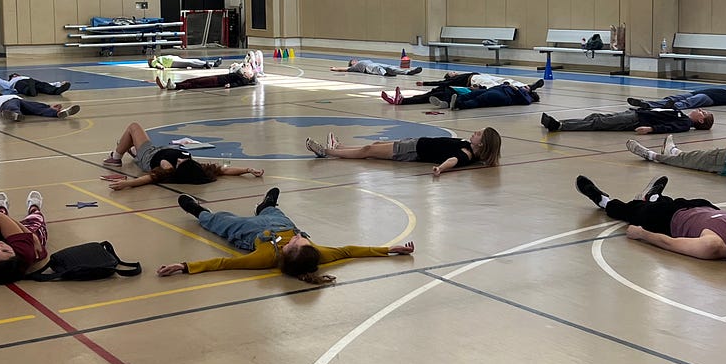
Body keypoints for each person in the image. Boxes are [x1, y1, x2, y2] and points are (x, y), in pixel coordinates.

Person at [157, 188, 414, 285]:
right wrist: (389, 250)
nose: (297, 238)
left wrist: (185, 266)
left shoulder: (266, 256)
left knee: (221, 221)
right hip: (279, 224)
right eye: (301, 239)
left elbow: (223, 263)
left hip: (253, 233)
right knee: (276, 212)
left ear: (288, 253)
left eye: (296, 241)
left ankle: (198, 211)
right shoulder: (317, 252)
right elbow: (349, 250)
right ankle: (266, 205)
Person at [574, 174, 726, 269]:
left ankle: (603, 200)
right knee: (667, 201)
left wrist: (642, 234)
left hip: (667, 219)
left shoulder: (713, 245)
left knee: (632, 210)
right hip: (701, 206)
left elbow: (670, 244)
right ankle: (654, 196)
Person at [101, 121, 263, 189]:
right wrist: (248, 169)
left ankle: (116, 158)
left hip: (150, 155)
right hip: (158, 149)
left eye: (179, 162)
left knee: (134, 127)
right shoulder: (196, 168)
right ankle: (133, 151)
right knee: (131, 141)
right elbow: (224, 170)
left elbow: (148, 179)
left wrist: (127, 184)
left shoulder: (168, 168)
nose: (180, 158)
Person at [305, 127, 501, 177]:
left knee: (369, 150)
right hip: (415, 143)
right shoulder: (467, 144)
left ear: (482, 144)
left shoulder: (466, 154)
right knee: (372, 146)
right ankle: (340, 147)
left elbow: (452, 160)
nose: (474, 133)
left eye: (478, 134)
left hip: (413, 151)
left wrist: (440, 169)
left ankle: (328, 152)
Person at [384, 74, 542, 108]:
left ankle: (404, 100)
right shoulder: (514, 86)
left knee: (442, 91)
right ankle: (404, 100)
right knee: (441, 89)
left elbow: (526, 94)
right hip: (481, 88)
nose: (453, 74)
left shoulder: (472, 76)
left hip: (476, 88)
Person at [541, 107, 715, 134]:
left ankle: (560, 126)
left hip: (636, 119)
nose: (699, 110)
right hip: (636, 113)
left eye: (702, 112)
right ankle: (562, 121)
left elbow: (668, 127)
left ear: (700, 121)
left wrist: (650, 129)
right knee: (596, 117)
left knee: (599, 123)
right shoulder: (680, 114)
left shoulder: (684, 123)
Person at [628, 86, 726, 111]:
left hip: (707, 98)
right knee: (673, 97)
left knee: (686, 103)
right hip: (695, 92)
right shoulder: (722, 88)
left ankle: (671, 107)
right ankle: (647, 104)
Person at [0, 92, 79, 120]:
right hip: (14, 103)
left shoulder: (3, 98)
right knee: (16, 106)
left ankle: (57, 113)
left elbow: (34, 105)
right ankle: (16, 114)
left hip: (16, 103)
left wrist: (49, 105)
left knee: (34, 108)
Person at [157, 58, 259, 90]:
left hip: (217, 81)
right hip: (218, 77)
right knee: (194, 80)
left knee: (196, 83)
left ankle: (175, 86)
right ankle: (170, 85)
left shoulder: (243, 80)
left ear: (249, 77)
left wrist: (230, 85)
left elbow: (238, 84)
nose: (249, 71)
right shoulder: (241, 74)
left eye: (251, 73)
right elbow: (238, 69)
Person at [0, 72, 71, 97]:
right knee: (42, 85)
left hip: (25, 83)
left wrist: (59, 84)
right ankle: (54, 90)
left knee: (41, 85)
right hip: (28, 81)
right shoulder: (11, 81)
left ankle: (56, 90)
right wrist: (57, 83)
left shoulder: (10, 83)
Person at [330, 57, 422, 77]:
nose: (354, 60)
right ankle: (386, 74)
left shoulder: (362, 60)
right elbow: (344, 69)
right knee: (378, 69)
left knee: (391, 66)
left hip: (374, 63)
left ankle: (408, 72)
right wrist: (335, 68)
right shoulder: (354, 67)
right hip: (368, 67)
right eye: (352, 61)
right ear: (352, 64)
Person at [148, 54, 223, 70]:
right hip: (172, 62)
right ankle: (207, 64)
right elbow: (157, 65)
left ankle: (211, 64)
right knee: (190, 62)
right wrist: (161, 67)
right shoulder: (154, 61)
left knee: (192, 61)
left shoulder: (158, 58)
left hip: (174, 59)